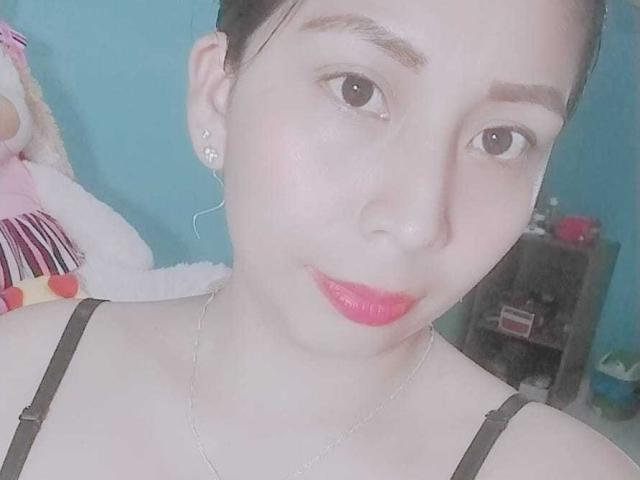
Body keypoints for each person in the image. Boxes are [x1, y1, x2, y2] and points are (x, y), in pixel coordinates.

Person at [0, 0, 638, 478]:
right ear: (219, 97)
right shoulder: (20, 368)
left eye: (501, 139)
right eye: (357, 90)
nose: (417, 222)